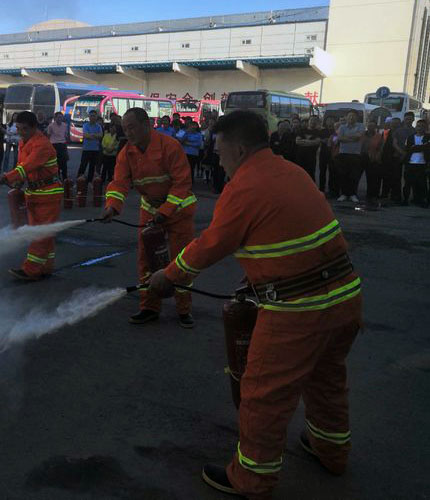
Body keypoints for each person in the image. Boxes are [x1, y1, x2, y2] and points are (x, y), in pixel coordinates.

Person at [148, 110, 362, 500]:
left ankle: (252, 479)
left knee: (264, 393)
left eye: (220, 151)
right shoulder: (292, 171)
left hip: (298, 311)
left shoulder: (245, 187)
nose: (218, 160)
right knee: (327, 380)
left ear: (240, 148)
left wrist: (169, 276)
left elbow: (211, 244)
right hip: (345, 298)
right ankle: (332, 451)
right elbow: (288, 234)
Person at [100, 107, 196, 328]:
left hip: (179, 210)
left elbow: (182, 183)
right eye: (125, 129)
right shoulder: (127, 152)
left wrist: (165, 211)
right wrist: (112, 207)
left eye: (132, 127)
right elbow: (119, 183)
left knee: (181, 261)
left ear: (147, 125)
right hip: (151, 209)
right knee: (146, 260)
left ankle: (184, 309)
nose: (128, 133)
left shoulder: (170, 146)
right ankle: (149, 307)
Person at [0, 111, 63, 281]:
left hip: (48, 194)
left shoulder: (42, 145)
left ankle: (31, 270)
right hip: (34, 193)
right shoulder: (24, 142)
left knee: (39, 233)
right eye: (18, 128)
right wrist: (18, 182)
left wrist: (8, 177)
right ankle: (46, 266)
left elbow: (28, 166)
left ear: (34, 127)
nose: (20, 132)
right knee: (44, 233)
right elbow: (22, 165)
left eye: (24, 129)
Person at [335, 111, 366, 202]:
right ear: (346, 117)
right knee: (343, 174)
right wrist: (352, 138)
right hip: (343, 153)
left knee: (354, 175)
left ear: (357, 117)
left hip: (356, 154)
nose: (351, 118)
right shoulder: (342, 127)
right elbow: (340, 138)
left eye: (353, 116)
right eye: (349, 116)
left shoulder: (361, 126)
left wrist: (346, 137)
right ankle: (344, 194)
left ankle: (353, 194)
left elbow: (358, 137)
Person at [402, 119, 430, 207]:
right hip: (410, 163)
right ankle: (405, 200)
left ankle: (422, 200)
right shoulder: (410, 137)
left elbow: (427, 148)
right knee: (408, 183)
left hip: (423, 163)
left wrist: (415, 148)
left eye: (422, 126)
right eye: (418, 126)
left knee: (422, 183)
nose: (420, 128)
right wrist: (421, 147)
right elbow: (407, 149)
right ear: (416, 127)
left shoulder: (428, 137)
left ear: (425, 127)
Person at [392, 112, 418, 203]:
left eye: (410, 119)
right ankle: (397, 196)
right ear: (404, 119)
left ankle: (408, 197)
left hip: (411, 158)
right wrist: (402, 152)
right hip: (398, 156)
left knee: (409, 178)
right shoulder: (398, 130)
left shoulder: (415, 131)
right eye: (407, 119)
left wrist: (407, 154)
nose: (408, 121)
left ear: (413, 119)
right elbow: (394, 143)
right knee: (396, 177)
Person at [77, 110, 103, 182]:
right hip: (86, 149)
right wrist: (95, 135)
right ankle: (79, 180)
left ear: (96, 117)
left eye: (94, 116)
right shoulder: (85, 125)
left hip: (95, 149)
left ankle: (89, 181)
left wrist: (91, 135)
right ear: (89, 117)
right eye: (91, 116)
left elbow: (101, 135)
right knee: (83, 165)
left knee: (92, 166)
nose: (92, 117)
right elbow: (86, 136)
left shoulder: (99, 126)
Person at [362, 119, 384, 204]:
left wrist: (378, 155)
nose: (370, 127)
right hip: (361, 157)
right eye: (369, 125)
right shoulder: (362, 134)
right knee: (355, 176)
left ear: (375, 127)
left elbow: (381, 147)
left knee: (372, 177)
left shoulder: (379, 136)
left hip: (372, 158)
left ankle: (371, 195)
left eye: (372, 125)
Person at [295, 116, 322, 180]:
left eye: (315, 120)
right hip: (300, 157)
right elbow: (297, 141)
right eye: (312, 120)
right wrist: (311, 142)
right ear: (309, 121)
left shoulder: (319, 132)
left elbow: (317, 142)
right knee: (300, 176)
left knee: (310, 176)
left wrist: (304, 142)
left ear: (318, 122)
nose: (313, 121)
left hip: (311, 158)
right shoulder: (302, 130)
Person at [47, 111, 70, 180]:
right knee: (55, 163)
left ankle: (65, 178)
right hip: (54, 145)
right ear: (55, 118)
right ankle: (57, 178)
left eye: (61, 117)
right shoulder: (51, 126)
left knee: (64, 162)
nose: (59, 119)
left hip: (62, 145)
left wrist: (66, 146)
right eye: (58, 117)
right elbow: (48, 136)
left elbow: (66, 136)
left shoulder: (65, 125)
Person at [319, 116, 337, 196]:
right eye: (328, 120)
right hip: (323, 154)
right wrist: (324, 140)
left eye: (331, 120)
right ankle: (321, 189)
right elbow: (319, 139)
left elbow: (335, 141)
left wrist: (329, 140)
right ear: (325, 122)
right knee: (322, 172)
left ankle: (331, 190)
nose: (330, 121)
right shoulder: (322, 131)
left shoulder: (336, 131)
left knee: (332, 172)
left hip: (332, 154)